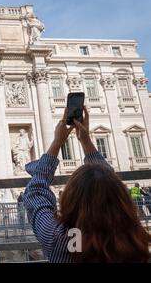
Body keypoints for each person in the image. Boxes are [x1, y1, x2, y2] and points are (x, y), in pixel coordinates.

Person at [24, 107, 151, 262]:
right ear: (121, 199)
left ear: (70, 200)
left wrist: (58, 142)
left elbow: (35, 193)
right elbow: (108, 184)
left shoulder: (65, 240)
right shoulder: (132, 239)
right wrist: (86, 140)